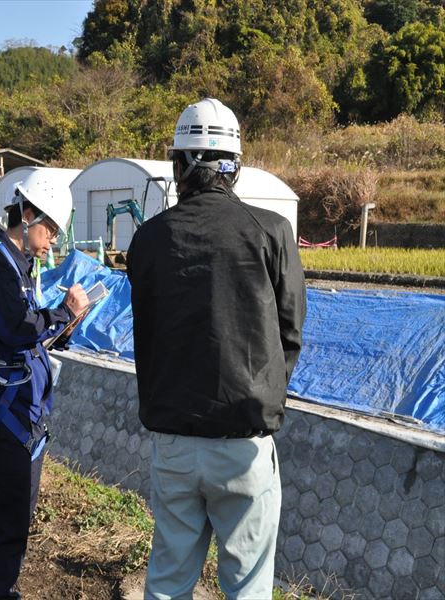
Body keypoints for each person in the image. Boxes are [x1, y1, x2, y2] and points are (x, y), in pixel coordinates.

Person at [127, 98, 307, 600]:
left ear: (178, 166)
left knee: (167, 580)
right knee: (247, 585)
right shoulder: (271, 232)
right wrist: (262, 386)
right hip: (244, 444)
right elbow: (289, 334)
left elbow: (149, 330)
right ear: (236, 167)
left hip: (174, 443)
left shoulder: (148, 240)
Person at [0, 170, 89, 600]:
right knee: (8, 517)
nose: (53, 238)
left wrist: (67, 323)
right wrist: (60, 312)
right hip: (5, 416)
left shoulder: (22, 266)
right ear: (28, 214)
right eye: (50, 228)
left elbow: (30, 334)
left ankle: (4, 589)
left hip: (24, 414)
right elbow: (17, 326)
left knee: (17, 514)